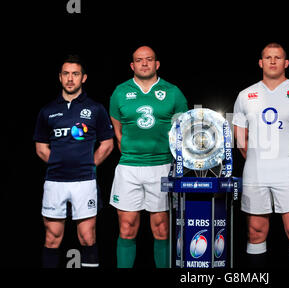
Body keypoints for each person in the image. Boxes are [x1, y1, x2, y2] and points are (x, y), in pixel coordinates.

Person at [233, 43, 289, 268]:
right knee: (255, 232)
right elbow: (240, 139)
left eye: (278, 57)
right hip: (256, 172)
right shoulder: (245, 95)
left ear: (286, 63)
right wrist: (256, 160)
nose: (273, 61)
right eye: (268, 57)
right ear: (261, 63)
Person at [109, 46, 188, 268]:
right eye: (139, 60)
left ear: (157, 64)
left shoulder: (173, 92)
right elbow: (118, 132)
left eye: (149, 59)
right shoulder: (120, 92)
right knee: (126, 227)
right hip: (129, 167)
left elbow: (183, 130)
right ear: (132, 65)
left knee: (162, 229)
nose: (144, 63)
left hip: (162, 166)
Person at [34, 54, 114, 268]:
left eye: (75, 74)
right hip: (55, 182)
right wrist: (60, 164)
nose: (70, 79)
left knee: (88, 237)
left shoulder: (96, 109)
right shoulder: (47, 111)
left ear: (84, 78)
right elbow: (41, 148)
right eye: (66, 74)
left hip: (84, 182)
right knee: (52, 238)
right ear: (60, 77)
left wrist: (86, 165)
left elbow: (107, 145)